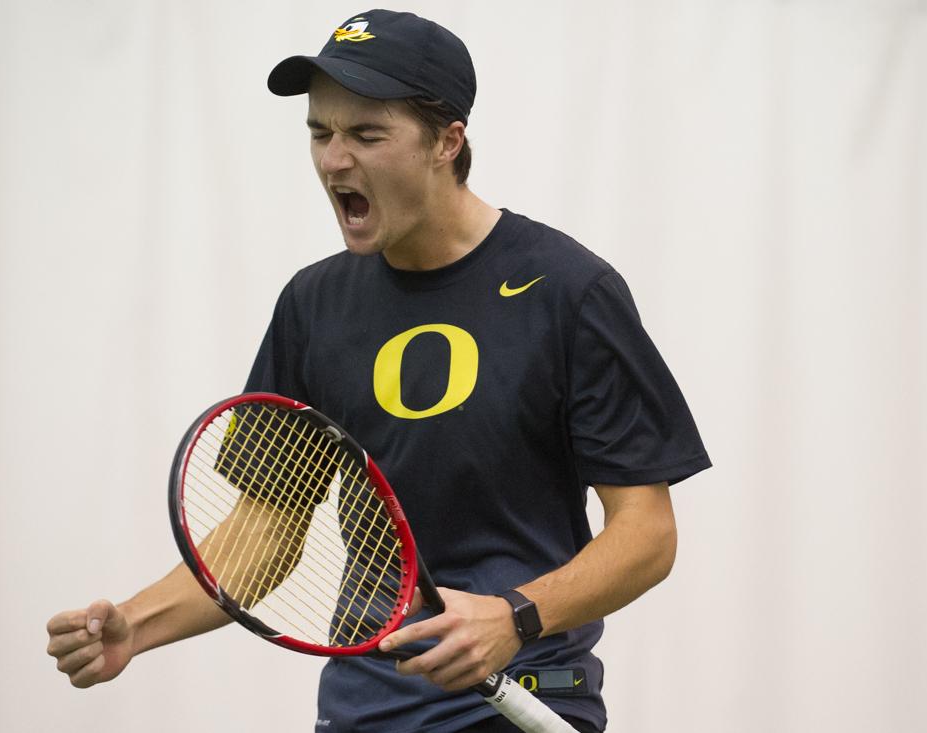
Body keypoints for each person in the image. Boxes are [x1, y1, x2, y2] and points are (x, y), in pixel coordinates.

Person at [46, 10, 711, 732]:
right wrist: (134, 627)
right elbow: (268, 527)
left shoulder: (568, 291)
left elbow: (647, 532)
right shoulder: (314, 304)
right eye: (319, 132)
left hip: (525, 699)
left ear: (446, 142)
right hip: (364, 711)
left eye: (366, 134)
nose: (335, 159)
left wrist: (515, 617)